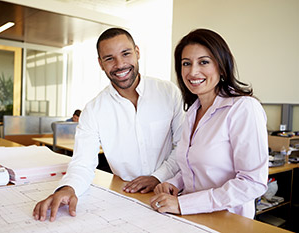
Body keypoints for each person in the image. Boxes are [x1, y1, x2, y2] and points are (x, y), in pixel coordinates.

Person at [33, 28, 184, 221]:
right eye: (109, 58)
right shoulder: (94, 110)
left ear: (137, 52)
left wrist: (158, 176)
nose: (120, 64)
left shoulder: (168, 93)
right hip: (127, 198)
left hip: (174, 194)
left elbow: (183, 146)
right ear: (100, 64)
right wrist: (68, 188)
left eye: (126, 53)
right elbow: (83, 163)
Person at [150, 28, 268, 219]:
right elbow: (195, 167)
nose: (193, 71)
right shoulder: (191, 113)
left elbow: (253, 182)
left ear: (221, 67)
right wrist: (174, 183)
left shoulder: (243, 108)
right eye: (186, 63)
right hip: (192, 217)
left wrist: (183, 204)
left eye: (203, 62)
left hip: (228, 221)